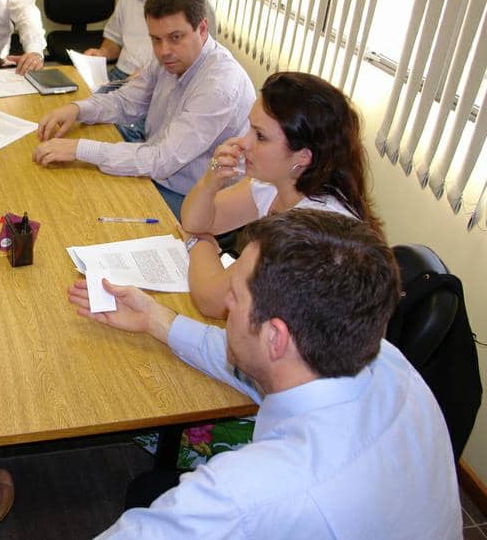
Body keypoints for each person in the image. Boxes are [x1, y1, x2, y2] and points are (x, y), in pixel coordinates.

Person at [69, 210, 461, 538]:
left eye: (235, 296)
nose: (223, 302)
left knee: (149, 492)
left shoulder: (247, 493)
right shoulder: (384, 359)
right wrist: (157, 319)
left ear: (276, 336)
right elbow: (250, 360)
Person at [34, 0, 254, 218]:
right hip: (157, 163)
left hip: (192, 194)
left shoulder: (218, 87)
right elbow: (126, 101)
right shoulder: (170, 58)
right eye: (156, 39)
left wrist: (79, 150)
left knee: (87, 209)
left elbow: (161, 160)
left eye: (175, 37)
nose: (163, 50)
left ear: (202, 29)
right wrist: (76, 109)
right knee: (70, 189)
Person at [181, 71, 383, 318]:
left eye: (260, 136)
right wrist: (212, 180)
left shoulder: (311, 228)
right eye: (250, 129)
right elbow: (195, 221)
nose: (243, 143)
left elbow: (213, 301)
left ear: (303, 157)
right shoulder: (280, 183)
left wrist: (197, 244)